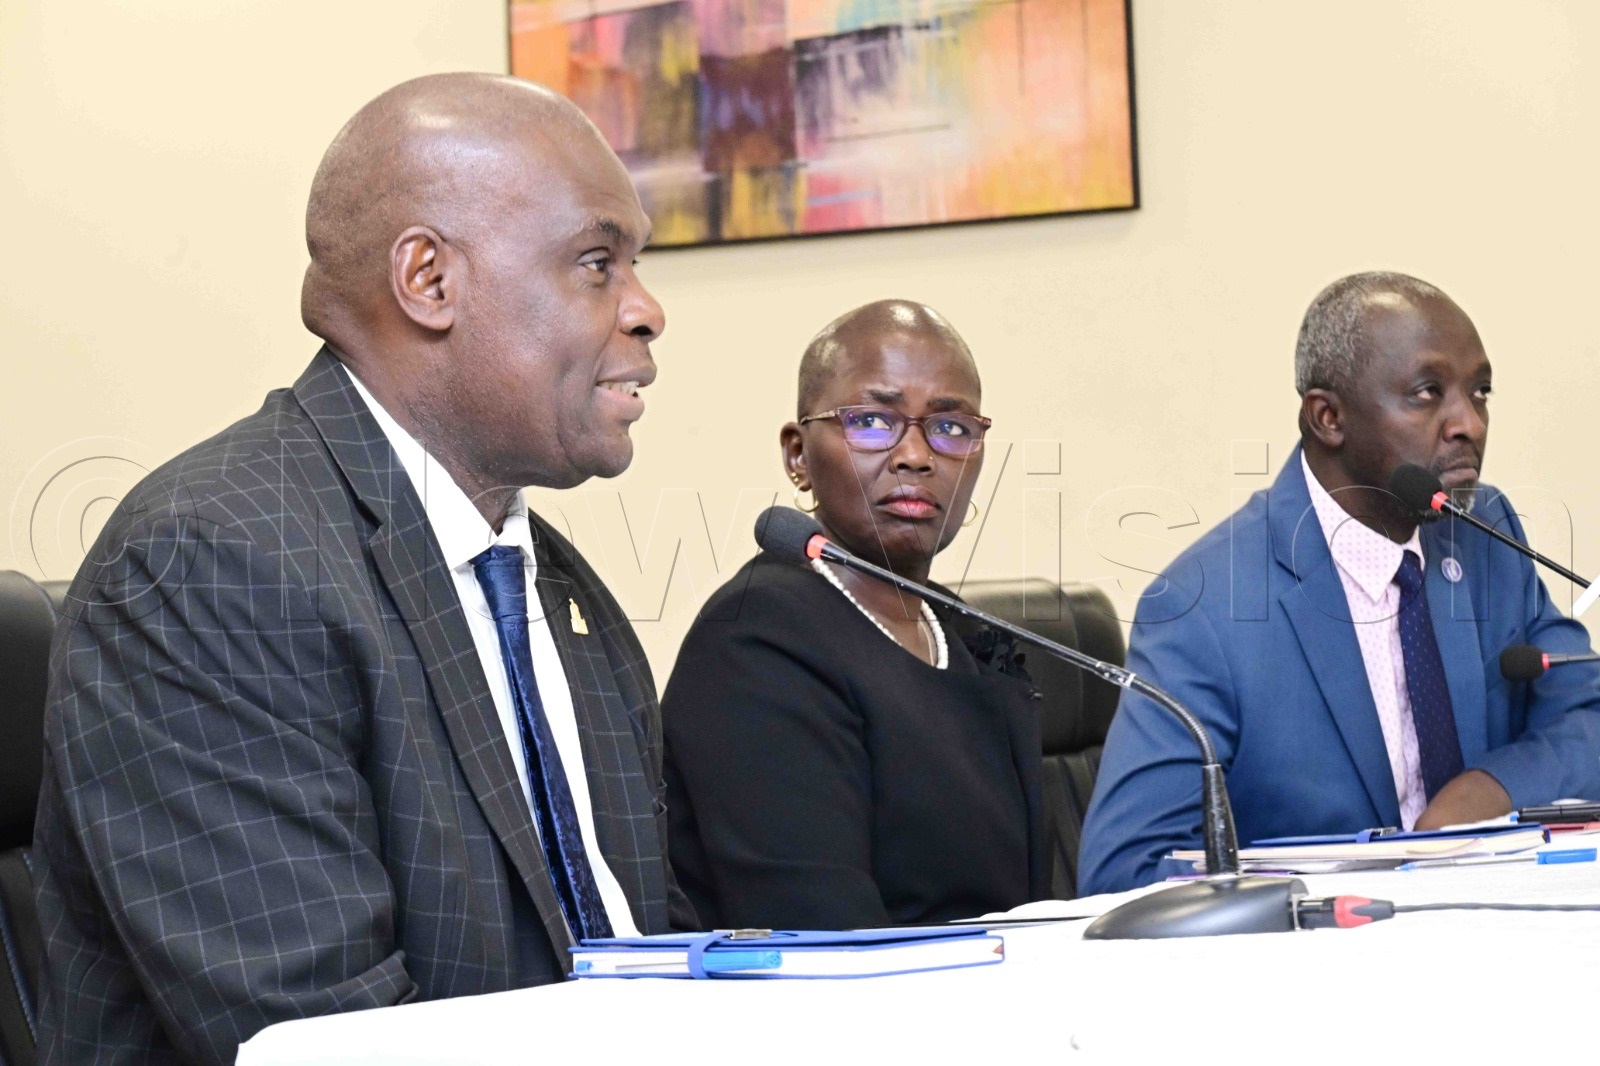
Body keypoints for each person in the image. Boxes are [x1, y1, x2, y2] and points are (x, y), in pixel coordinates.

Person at [32, 73, 686, 1065]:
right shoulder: (207, 567)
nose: (647, 311)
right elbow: (329, 1040)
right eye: (597, 263)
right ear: (427, 280)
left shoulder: (554, 582)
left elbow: (650, 947)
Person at [1077, 271, 1600, 893]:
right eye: (1428, 393)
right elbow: (1126, 871)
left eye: (1480, 392)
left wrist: (1486, 792)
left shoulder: (1485, 535)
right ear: (1327, 417)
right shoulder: (1203, 607)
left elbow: (1586, 712)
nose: (1470, 423)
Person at [661, 299, 1048, 929]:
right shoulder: (756, 642)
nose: (917, 456)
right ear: (797, 454)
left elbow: (1031, 910)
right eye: (872, 421)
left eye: (951, 428)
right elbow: (825, 935)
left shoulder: (968, 638)